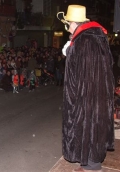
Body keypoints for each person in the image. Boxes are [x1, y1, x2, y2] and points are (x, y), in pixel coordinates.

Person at [57, 5, 114, 172]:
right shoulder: (98, 37)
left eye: (68, 23)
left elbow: (80, 71)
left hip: (86, 92)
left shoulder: (83, 40)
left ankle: (90, 166)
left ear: (72, 23)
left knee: (87, 124)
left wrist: (71, 50)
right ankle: (91, 164)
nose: (67, 26)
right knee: (96, 125)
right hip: (100, 91)